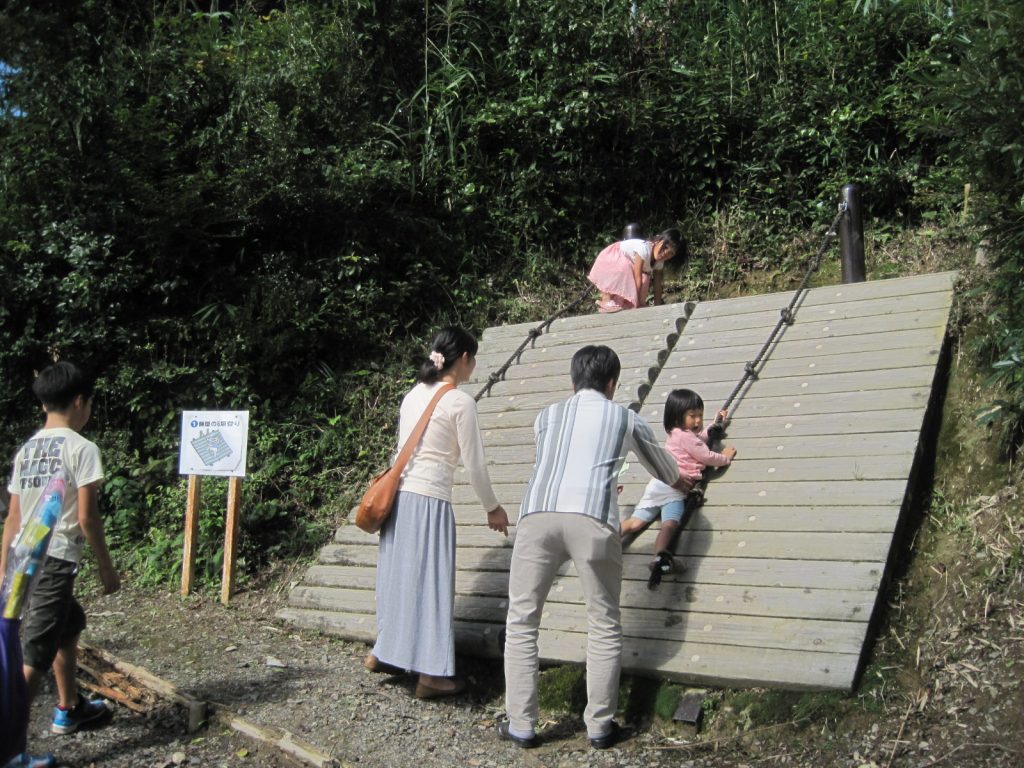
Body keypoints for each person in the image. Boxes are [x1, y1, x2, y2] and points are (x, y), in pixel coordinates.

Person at [497, 346, 693, 750]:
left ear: (573, 382)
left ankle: (521, 725)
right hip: (592, 519)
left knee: (521, 620)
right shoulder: (625, 417)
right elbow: (669, 472)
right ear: (612, 383)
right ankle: (600, 727)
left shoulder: (545, 416)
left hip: (537, 515)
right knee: (603, 622)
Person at [364, 327, 510, 699]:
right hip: (429, 500)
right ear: (463, 359)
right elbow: (474, 465)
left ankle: (385, 650)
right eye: (473, 358)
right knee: (432, 583)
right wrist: (492, 507)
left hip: (399, 499)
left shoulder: (413, 394)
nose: (474, 365)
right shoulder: (460, 402)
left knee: (398, 578)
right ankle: (431, 676)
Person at [1, 362, 119, 768]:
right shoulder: (81, 448)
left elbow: (12, 519)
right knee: (34, 655)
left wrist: (4, 568)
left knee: (68, 624)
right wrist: (106, 567)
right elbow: (87, 518)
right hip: (54, 560)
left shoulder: (27, 449)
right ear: (80, 401)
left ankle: (68, 708)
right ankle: (7, 749)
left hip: (23, 558)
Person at [620, 388, 737, 575]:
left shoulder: (677, 432)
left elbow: (698, 440)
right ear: (678, 416)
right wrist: (725, 457)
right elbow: (705, 455)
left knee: (635, 522)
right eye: (693, 416)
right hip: (674, 490)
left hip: (657, 485)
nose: (698, 420)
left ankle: (607, 541)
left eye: (700, 415)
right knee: (669, 524)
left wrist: (714, 424)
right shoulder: (687, 438)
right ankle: (659, 557)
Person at [588, 227, 686, 312]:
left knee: (645, 279)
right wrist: (637, 303)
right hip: (612, 259)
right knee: (625, 269)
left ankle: (624, 303)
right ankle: (607, 299)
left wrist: (657, 306)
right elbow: (637, 276)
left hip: (627, 267)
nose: (665, 254)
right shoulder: (645, 248)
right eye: (664, 247)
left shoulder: (660, 262)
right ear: (659, 240)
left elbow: (657, 284)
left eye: (671, 253)